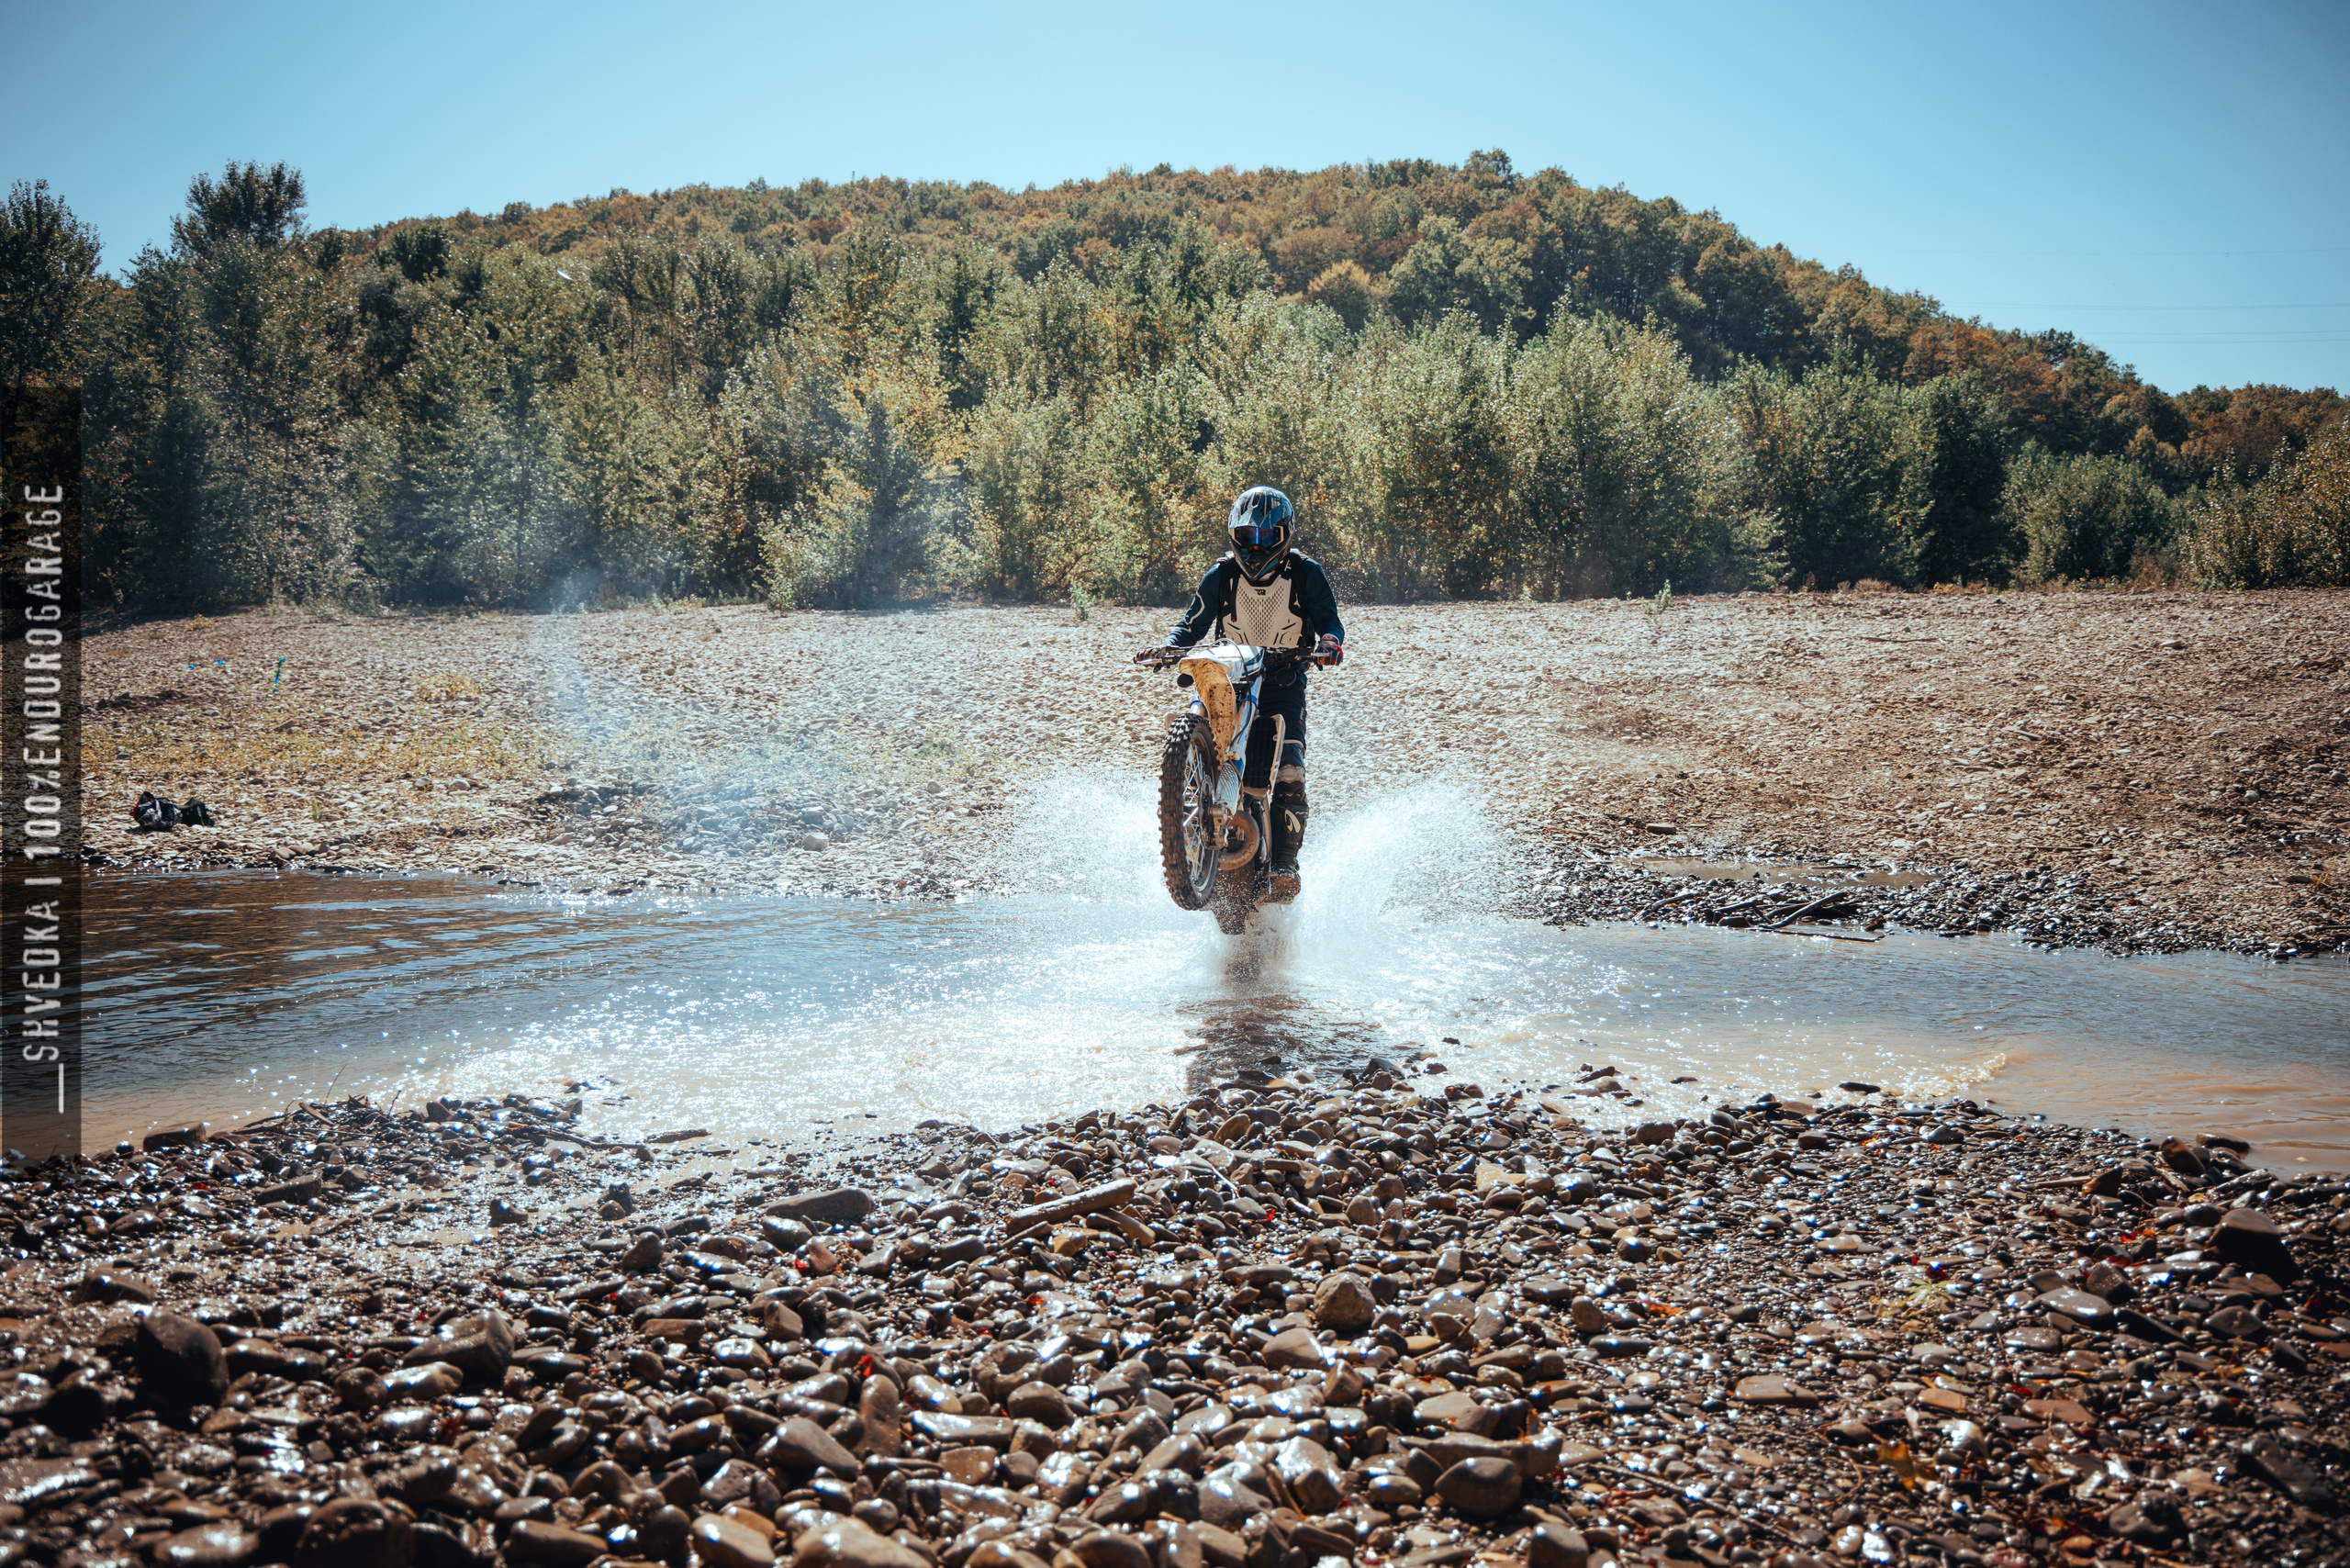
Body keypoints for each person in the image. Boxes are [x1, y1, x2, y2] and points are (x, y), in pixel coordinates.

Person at [1136, 486, 1344, 902]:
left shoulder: (1306, 572)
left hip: (1284, 678)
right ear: (1234, 535)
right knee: (1196, 721)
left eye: (1267, 536)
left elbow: (1330, 623)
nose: (1256, 544)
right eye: (1248, 536)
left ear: (1284, 535)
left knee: (1290, 767)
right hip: (1227, 673)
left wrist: (1330, 645)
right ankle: (1186, 814)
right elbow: (1191, 624)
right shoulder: (1221, 574)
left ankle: (1285, 861)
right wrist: (1169, 646)